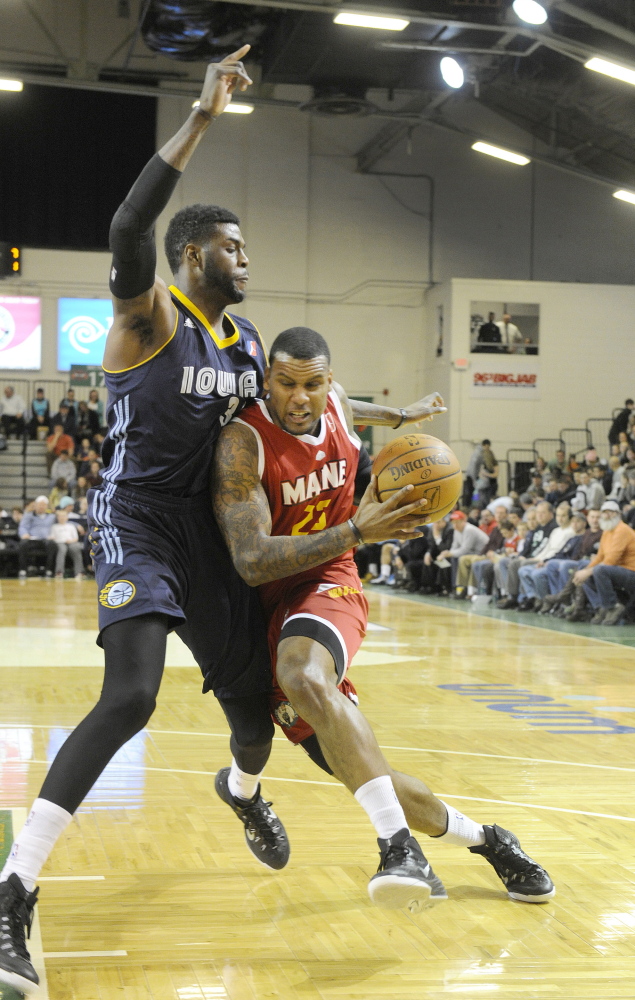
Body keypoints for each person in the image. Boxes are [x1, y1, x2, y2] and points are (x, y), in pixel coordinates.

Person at [0, 49, 447, 996]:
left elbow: (306, 401)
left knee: (254, 718)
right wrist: (203, 115)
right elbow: (126, 222)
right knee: (131, 696)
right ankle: (14, 890)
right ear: (194, 253)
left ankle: (241, 791)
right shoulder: (149, 319)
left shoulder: (245, 345)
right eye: (234, 246)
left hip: (213, 537)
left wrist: (385, 419)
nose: (247, 259)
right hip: (138, 522)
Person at [212, 326, 554, 912]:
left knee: (304, 676)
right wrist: (357, 529)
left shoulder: (338, 404)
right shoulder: (244, 444)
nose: (301, 398)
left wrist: (402, 414)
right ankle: (490, 840)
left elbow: (352, 404)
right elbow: (249, 561)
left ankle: (397, 846)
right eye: (286, 383)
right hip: (259, 601)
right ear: (266, 380)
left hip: (328, 582)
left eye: (313, 385)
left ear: (329, 383)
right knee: (359, 770)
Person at [573, 500, 635, 625]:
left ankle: (611, 607)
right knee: (585, 567)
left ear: (618, 514)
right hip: (617, 570)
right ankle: (601, 606)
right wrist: (585, 570)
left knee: (599, 570)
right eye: (604, 513)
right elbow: (600, 557)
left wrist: (588, 572)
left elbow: (611, 561)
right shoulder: (607, 531)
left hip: (631, 572)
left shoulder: (622, 530)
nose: (607, 516)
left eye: (610, 512)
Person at [438, 510, 489, 597]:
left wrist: (450, 553)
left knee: (457, 558)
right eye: (453, 523)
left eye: (457, 522)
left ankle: (462, 588)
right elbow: (454, 546)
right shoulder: (456, 530)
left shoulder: (469, 530)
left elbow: (465, 549)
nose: (455, 525)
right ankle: (453, 587)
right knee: (449, 559)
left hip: (481, 554)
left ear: (463, 521)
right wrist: (447, 553)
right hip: (471, 553)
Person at [17, 496, 56, 578]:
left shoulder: (52, 516)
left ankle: (48, 570)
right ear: (35, 505)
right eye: (40, 504)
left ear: (46, 506)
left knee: (52, 544)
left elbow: (64, 520)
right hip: (31, 539)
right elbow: (22, 527)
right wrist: (24, 534)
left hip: (45, 540)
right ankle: (23, 570)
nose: (41, 507)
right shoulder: (28, 515)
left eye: (44, 505)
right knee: (23, 544)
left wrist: (76, 525)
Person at [49, 505, 85, 579]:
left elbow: (76, 538)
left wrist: (71, 541)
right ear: (57, 518)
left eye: (64, 516)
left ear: (67, 517)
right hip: (59, 542)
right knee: (62, 549)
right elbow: (52, 536)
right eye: (60, 516)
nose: (62, 518)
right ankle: (59, 572)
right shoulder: (54, 526)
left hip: (71, 542)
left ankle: (79, 572)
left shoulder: (71, 526)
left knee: (76, 548)